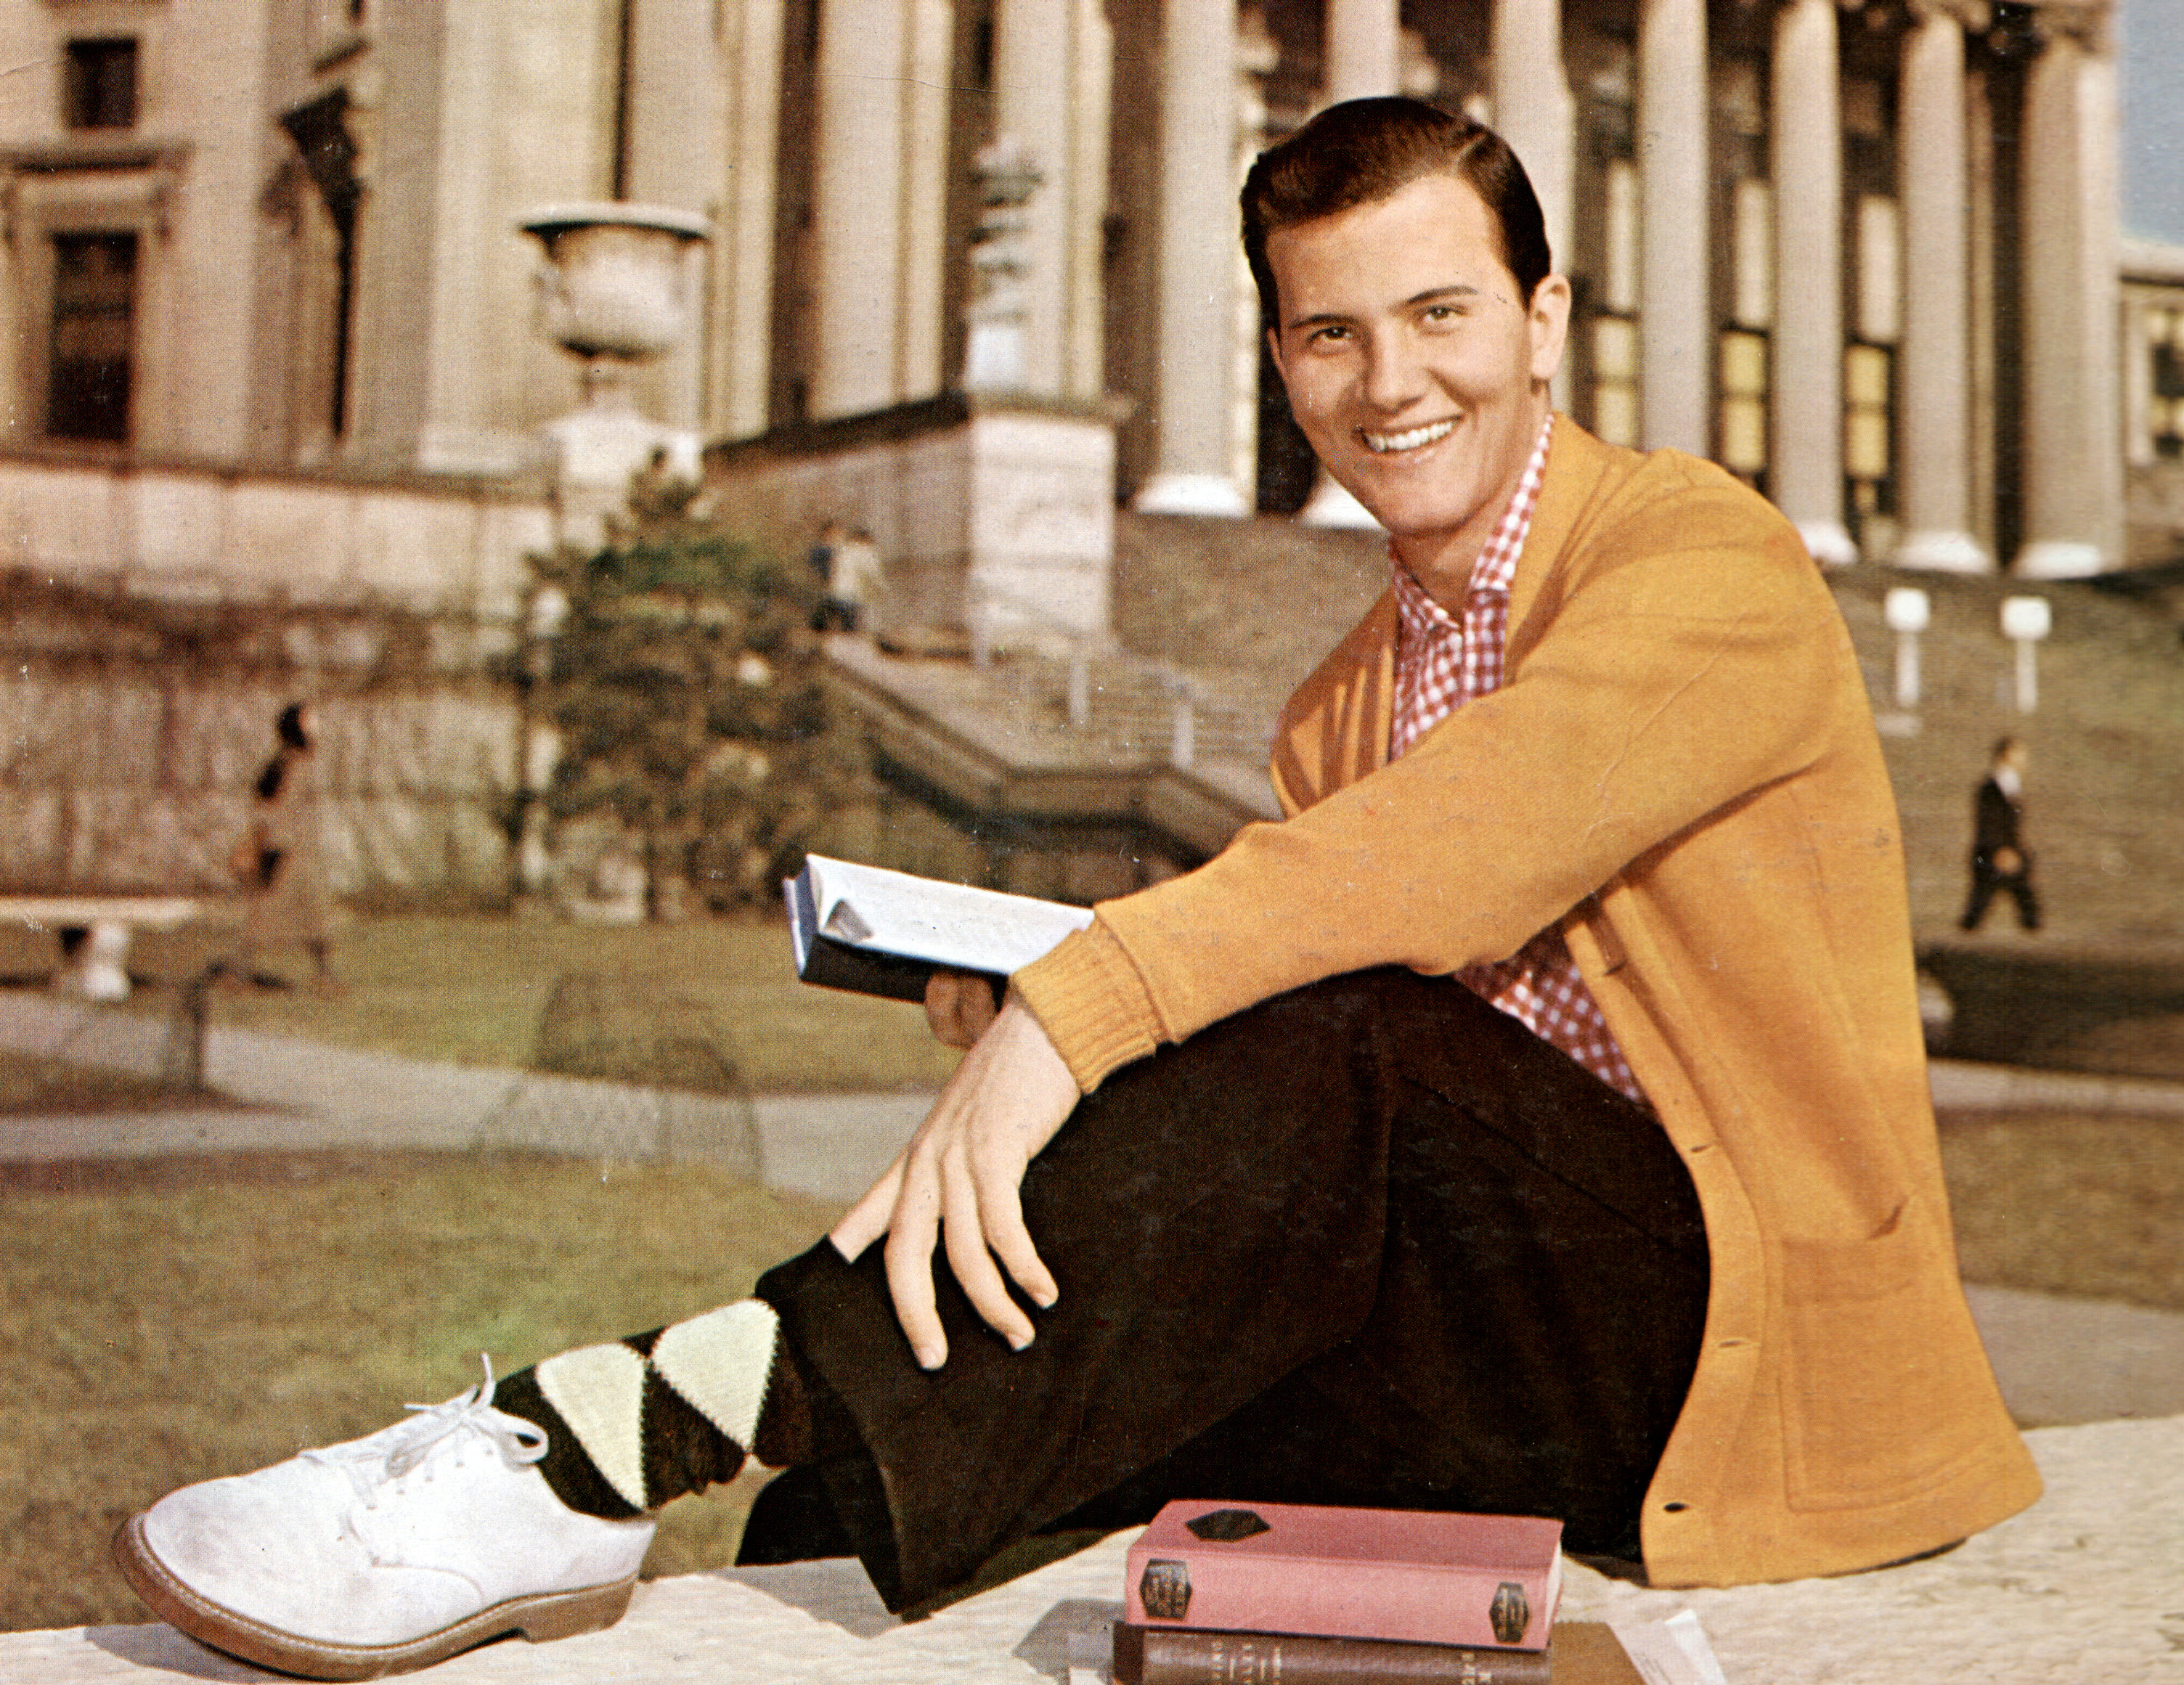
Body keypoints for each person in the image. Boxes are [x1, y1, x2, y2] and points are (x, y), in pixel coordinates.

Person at [114, 99, 2040, 1681]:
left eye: (1443, 314)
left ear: (1548, 316)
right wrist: (1046, 1000)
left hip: (1723, 1342)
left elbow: (1454, 864)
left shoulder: (1703, 560)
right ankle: (633, 1518)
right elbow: (1292, 958)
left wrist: (1088, 1008)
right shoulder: (1334, 699)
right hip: (1468, 1348)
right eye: (1330, 334)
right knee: (889, 1495)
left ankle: (587, 1438)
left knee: (1345, 1036)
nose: (1392, 382)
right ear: (1280, 359)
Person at [223, 701, 343, 996]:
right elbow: (268, 809)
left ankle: (324, 977)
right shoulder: (288, 763)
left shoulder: (301, 761)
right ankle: (241, 976)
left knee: (314, 918)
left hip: (299, 853)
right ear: (297, 725)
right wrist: (263, 848)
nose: (316, 723)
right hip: (282, 853)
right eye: (309, 718)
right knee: (263, 917)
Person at [1959, 735, 2042, 933]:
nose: (2024, 757)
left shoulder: (2009, 783)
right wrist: (2000, 851)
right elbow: (1987, 822)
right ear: (2007, 755)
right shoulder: (1991, 788)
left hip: (2005, 854)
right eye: (2019, 753)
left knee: (2019, 900)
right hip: (1994, 856)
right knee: (1983, 903)